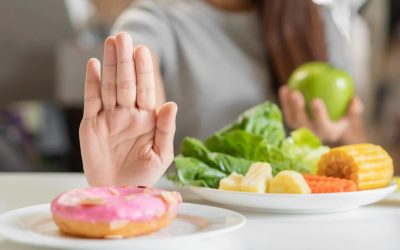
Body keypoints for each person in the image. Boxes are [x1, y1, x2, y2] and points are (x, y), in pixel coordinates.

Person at [80, 0, 368, 186]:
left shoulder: (319, 21)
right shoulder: (156, 16)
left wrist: (335, 134)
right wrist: (128, 176)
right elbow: (139, 59)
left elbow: (358, 143)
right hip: (205, 222)